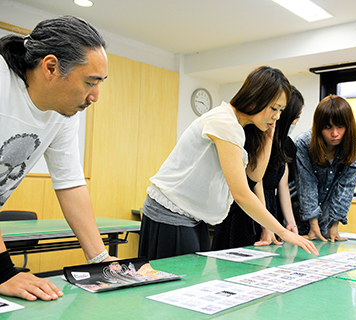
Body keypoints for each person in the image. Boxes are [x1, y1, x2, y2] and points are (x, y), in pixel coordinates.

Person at [138, 66, 318, 260]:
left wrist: (269, 133)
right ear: (255, 99)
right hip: (170, 214)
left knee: (193, 281)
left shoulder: (238, 126)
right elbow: (241, 194)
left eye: (281, 110)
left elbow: (256, 176)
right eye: (274, 109)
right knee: (176, 285)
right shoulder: (225, 123)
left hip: (193, 217)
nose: (278, 116)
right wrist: (283, 231)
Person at [0, 16, 114, 301]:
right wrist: (2, 272)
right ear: (50, 67)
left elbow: (71, 185)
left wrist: (100, 259)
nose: (95, 95)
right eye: (90, 81)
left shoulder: (62, 112)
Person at [211, 85, 305, 249]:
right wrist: (265, 225)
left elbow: (283, 184)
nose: (296, 121)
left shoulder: (286, 143)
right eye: (295, 116)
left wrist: (291, 223)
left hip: (267, 210)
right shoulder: (253, 135)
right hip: (245, 210)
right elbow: (256, 180)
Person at [291, 95, 356, 242]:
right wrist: (313, 224)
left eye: (340, 127)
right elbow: (307, 184)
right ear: (319, 126)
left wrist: (334, 225)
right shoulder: (304, 143)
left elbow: (345, 188)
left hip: (325, 224)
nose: (335, 133)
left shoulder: (353, 148)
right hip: (293, 220)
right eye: (328, 127)